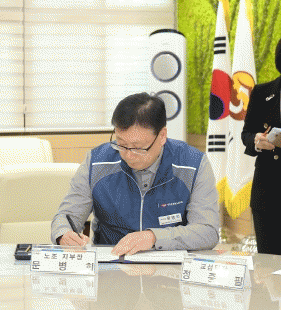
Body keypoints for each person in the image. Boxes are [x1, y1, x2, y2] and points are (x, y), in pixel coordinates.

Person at [51, 92, 219, 255]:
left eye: (138, 147)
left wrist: (154, 237)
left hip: (171, 267)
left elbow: (207, 231)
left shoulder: (193, 164)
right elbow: (66, 216)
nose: (128, 155)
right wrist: (63, 234)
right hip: (110, 263)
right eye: (121, 144)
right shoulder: (96, 162)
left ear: (162, 136)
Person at [242, 27, 281, 257]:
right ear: (280, 59)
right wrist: (257, 141)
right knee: (268, 262)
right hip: (267, 191)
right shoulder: (261, 92)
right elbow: (247, 133)